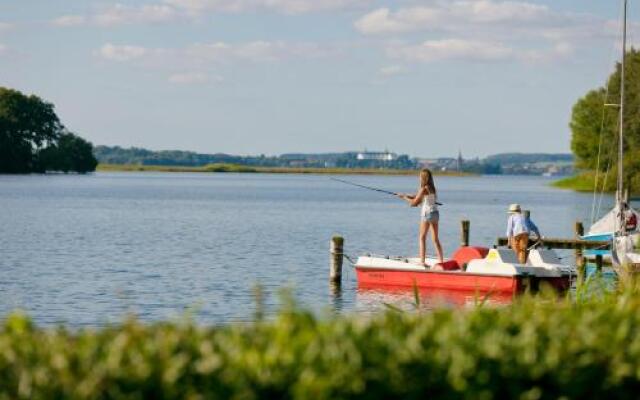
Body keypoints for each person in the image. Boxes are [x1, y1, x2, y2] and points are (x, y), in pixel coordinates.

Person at [398, 168, 444, 266]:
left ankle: (422, 262)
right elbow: (420, 197)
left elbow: (414, 203)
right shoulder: (432, 188)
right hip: (435, 213)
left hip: (427, 214)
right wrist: (408, 195)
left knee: (422, 237)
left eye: (420, 177)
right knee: (435, 239)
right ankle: (441, 261)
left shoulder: (423, 189)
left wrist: (404, 198)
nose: (419, 178)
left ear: (423, 178)